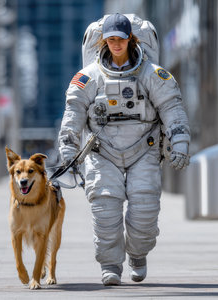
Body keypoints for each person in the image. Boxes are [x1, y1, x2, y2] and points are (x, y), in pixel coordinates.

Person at [58, 13, 190, 286]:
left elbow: (172, 109)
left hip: (144, 150)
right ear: (104, 42)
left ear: (131, 39)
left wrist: (180, 142)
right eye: (111, 39)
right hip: (103, 153)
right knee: (105, 212)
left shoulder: (153, 74)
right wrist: (68, 150)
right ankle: (110, 264)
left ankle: (138, 254)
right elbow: (73, 114)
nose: (116, 44)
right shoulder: (88, 77)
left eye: (121, 38)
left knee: (144, 211)